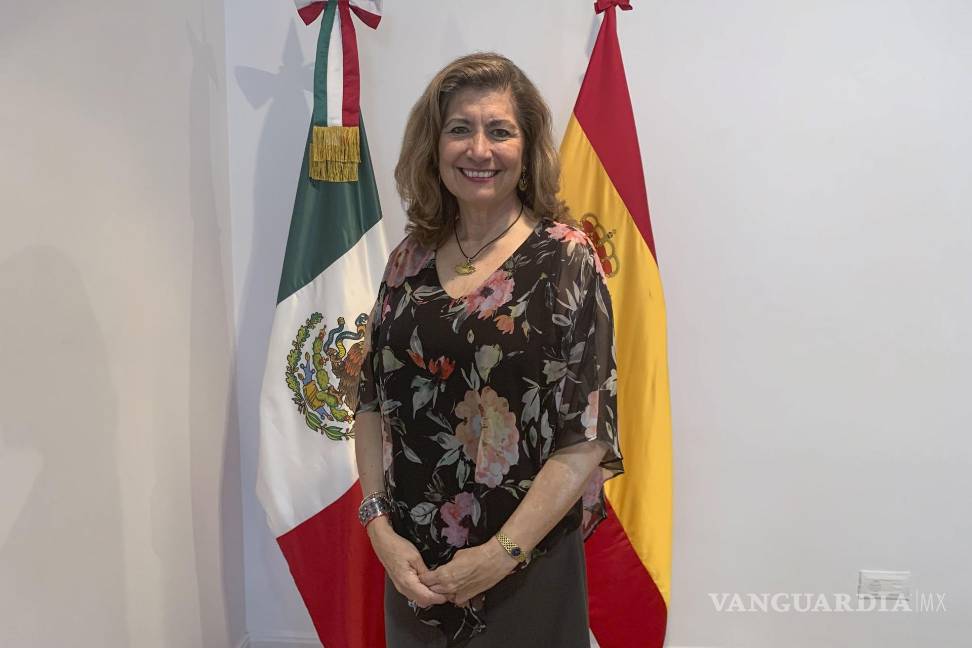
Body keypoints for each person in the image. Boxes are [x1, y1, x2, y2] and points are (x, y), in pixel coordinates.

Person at [353, 52, 623, 648]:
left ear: (527, 150)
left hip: (526, 570)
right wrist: (380, 529)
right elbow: (369, 401)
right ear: (434, 146)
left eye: (500, 131)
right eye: (460, 129)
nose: (479, 149)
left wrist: (499, 556)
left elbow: (587, 434)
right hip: (415, 572)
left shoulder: (566, 259)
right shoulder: (408, 259)